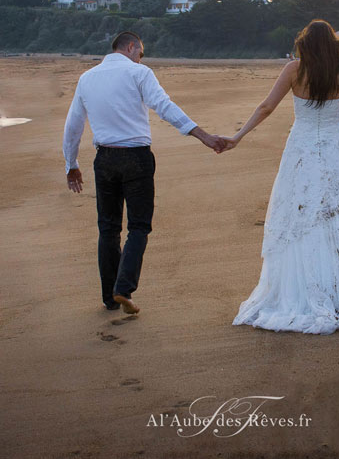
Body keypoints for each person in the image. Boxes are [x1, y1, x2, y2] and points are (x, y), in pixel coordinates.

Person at [221, 19, 339, 334]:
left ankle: (311, 291)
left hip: (301, 150)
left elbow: (267, 106)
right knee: (338, 217)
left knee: (302, 216)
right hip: (334, 148)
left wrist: (238, 136)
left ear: (305, 45)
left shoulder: (295, 70)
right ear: (334, 44)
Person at [63, 31, 225, 314]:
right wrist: (203, 136)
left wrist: (71, 164)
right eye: (141, 52)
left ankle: (109, 297)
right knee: (138, 227)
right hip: (136, 158)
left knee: (108, 227)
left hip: (104, 159)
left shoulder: (87, 78)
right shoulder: (139, 73)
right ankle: (123, 289)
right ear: (130, 47)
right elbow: (164, 107)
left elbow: (73, 124)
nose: (141, 58)